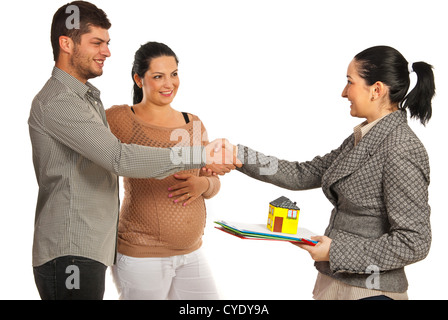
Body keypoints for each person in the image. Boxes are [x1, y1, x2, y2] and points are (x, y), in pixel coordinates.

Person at [28, 1, 234, 300]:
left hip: (91, 249)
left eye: (107, 43)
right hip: (72, 252)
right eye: (97, 42)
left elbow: (209, 178)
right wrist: (201, 155)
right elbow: (119, 158)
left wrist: (206, 177)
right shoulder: (61, 102)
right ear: (66, 44)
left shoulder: (85, 99)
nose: (107, 52)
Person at [222, 45, 434, 300]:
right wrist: (238, 154)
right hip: (336, 284)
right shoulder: (364, 137)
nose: (344, 93)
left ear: (376, 90)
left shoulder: (401, 148)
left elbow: (415, 242)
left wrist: (336, 252)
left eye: (349, 82)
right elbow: (303, 174)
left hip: (372, 292)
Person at [106, 42, 221, 300]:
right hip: (142, 253)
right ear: (139, 79)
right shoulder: (121, 119)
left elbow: (212, 180)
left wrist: (202, 186)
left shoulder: (192, 123)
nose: (169, 84)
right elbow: (90, 148)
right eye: (158, 76)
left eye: (174, 74)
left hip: (190, 252)